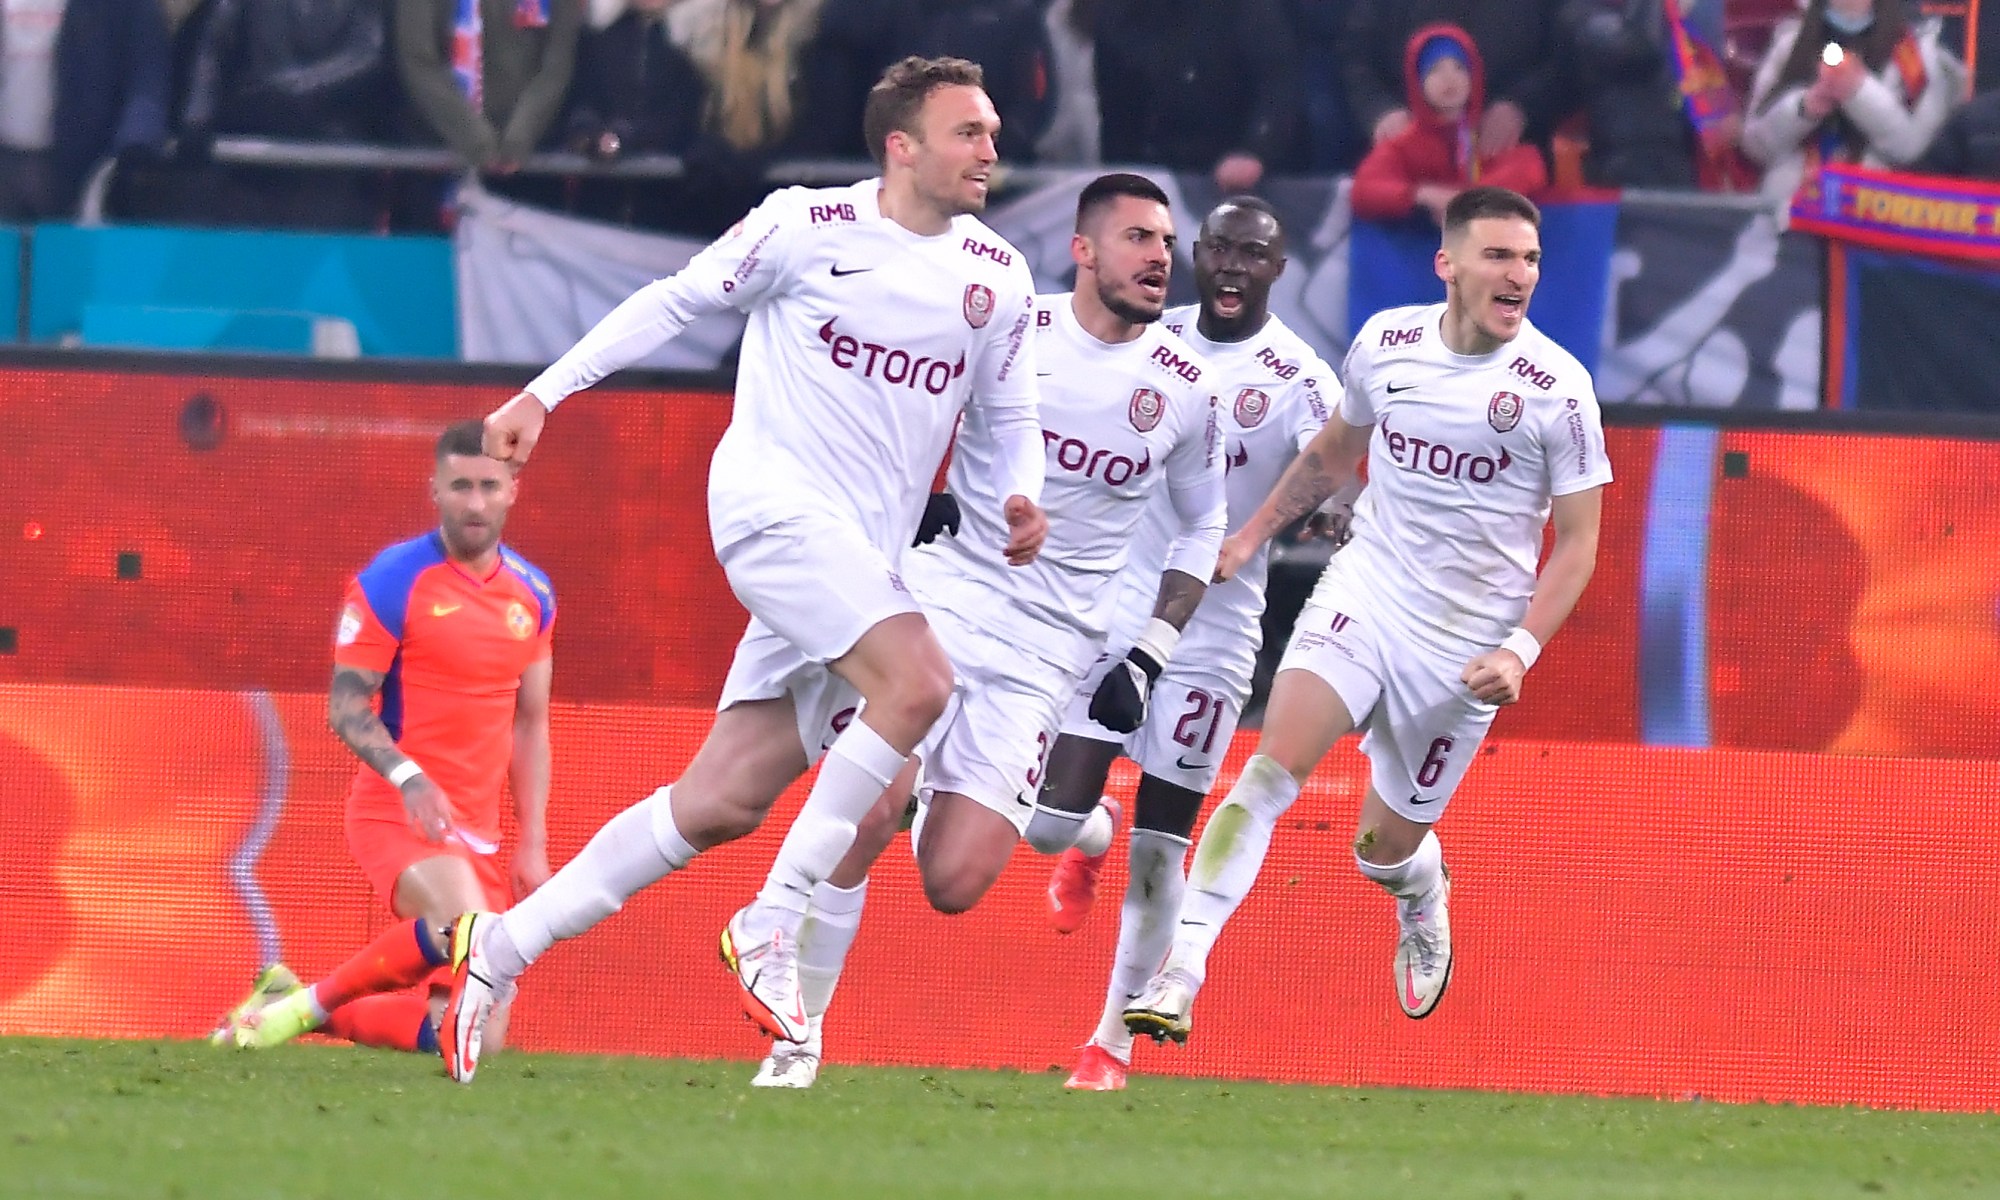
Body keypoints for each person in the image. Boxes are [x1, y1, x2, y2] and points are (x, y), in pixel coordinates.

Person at [440, 55, 1049, 1084]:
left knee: (718, 801)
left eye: (991, 131)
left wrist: (1021, 496)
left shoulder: (998, 277)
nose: (991, 148)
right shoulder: (806, 225)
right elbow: (672, 303)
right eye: (968, 132)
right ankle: (772, 917)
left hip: (861, 560)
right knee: (920, 683)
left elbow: (1011, 419)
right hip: (773, 513)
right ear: (901, 147)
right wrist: (542, 394)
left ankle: (500, 948)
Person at [749, 173, 1226, 1089]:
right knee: (867, 812)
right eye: (1137, 238)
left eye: (1167, 242)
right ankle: (796, 1042)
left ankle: (1077, 825)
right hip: (946, 598)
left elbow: (1204, 524)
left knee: (954, 884)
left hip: (1049, 650)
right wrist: (917, 499)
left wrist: (1150, 653)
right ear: (1082, 251)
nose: (1160, 257)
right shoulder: (1014, 327)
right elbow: (912, 404)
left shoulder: (1186, 385)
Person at [1124, 186, 1610, 1043]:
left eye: (1531, 259)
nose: (1520, 275)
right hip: (1367, 593)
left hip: (1467, 646)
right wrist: (1250, 537)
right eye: (1499, 256)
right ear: (1448, 264)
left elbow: (1578, 543)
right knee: (1267, 773)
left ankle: (1417, 886)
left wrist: (1520, 650)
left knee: (1380, 849)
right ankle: (1182, 969)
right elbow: (1336, 453)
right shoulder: (1386, 343)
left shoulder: (1558, 391)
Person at [1033, 196, 1344, 1091]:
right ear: (1199, 255)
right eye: (1221, 249)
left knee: (1162, 846)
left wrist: (1332, 510)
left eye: (1255, 253)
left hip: (1213, 635)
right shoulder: (1151, 338)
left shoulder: (1297, 376)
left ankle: (1108, 1044)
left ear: (1278, 269)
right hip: (1113, 609)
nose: (1235, 266)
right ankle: (1089, 832)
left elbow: (1333, 463)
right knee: (1046, 823)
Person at [211, 420, 555, 1057]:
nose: (474, 502)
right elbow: (346, 707)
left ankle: (291, 1005)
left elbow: (530, 721)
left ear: (513, 490)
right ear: (435, 490)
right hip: (398, 813)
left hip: (478, 831)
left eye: (488, 486)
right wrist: (409, 776)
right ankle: (308, 1005)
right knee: (465, 927)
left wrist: (531, 840)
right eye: (460, 486)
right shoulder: (393, 579)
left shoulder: (534, 594)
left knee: (474, 1035)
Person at [1739, 0, 1964, 217]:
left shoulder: (1914, 49)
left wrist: (1859, 92)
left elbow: (1914, 148)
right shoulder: (1791, 42)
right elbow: (1754, 145)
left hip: (1872, 220)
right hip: (1787, 215)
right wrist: (1802, 108)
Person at [1351, 23, 1547, 225]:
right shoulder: (1405, 143)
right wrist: (1421, 195)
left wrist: (1471, 199)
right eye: (1435, 70)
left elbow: (1530, 166)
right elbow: (1364, 189)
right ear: (1417, 82)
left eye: (1459, 68)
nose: (1449, 78)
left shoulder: (1484, 134)